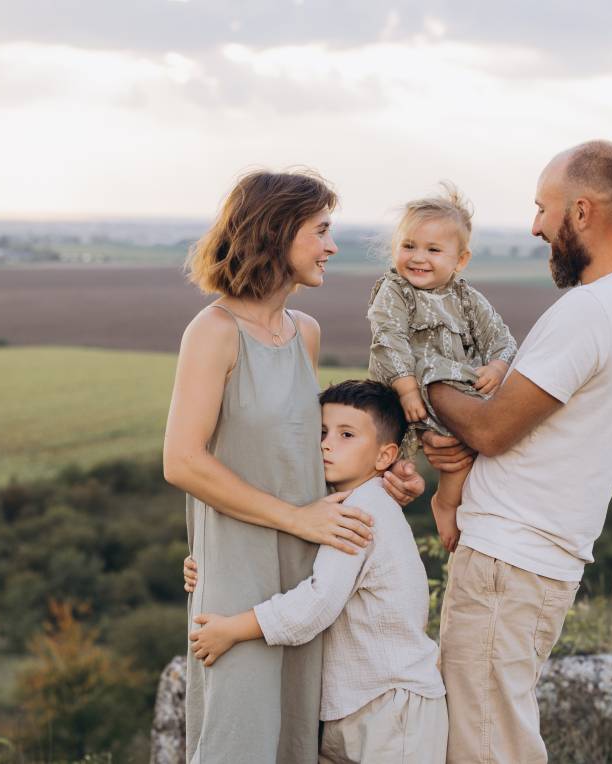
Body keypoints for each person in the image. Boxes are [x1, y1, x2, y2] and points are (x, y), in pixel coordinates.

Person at [163, 170, 426, 764]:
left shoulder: (305, 333)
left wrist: (383, 483)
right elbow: (181, 461)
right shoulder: (213, 332)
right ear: (276, 232)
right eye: (321, 231)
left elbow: (308, 449)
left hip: (306, 570)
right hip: (242, 567)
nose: (331, 246)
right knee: (238, 733)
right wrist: (282, 524)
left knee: (290, 739)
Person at [420, 140, 612, 763]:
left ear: (581, 211)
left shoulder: (591, 311)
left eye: (542, 209)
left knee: (484, 747)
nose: (535, 227)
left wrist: (425, 373)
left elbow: (494, 430)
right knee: (492, 736)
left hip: (510, 562)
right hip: (528, 560)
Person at [187, 379, 448, 764]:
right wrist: (210, 568)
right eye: (321, 432)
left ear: (383, 456)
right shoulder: (331, 505)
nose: (326, 444)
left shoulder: (362, 512)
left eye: (346, 435)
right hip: (352, 707)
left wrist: (233, 629)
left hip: (393, 706)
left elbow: (317, 602)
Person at [367, 182, 517, 552]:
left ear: (459, 259)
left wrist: (497, 367)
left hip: (448, 393)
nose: (419, 258)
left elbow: (500, 336)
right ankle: (376, 522)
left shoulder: (466, 298)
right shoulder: (395, 290)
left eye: (434, 250)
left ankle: (446, 502)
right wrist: (405, 387)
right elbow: (389, 337)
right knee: (385, 461)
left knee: (459, 450)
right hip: (402, 390)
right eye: (409, 246)